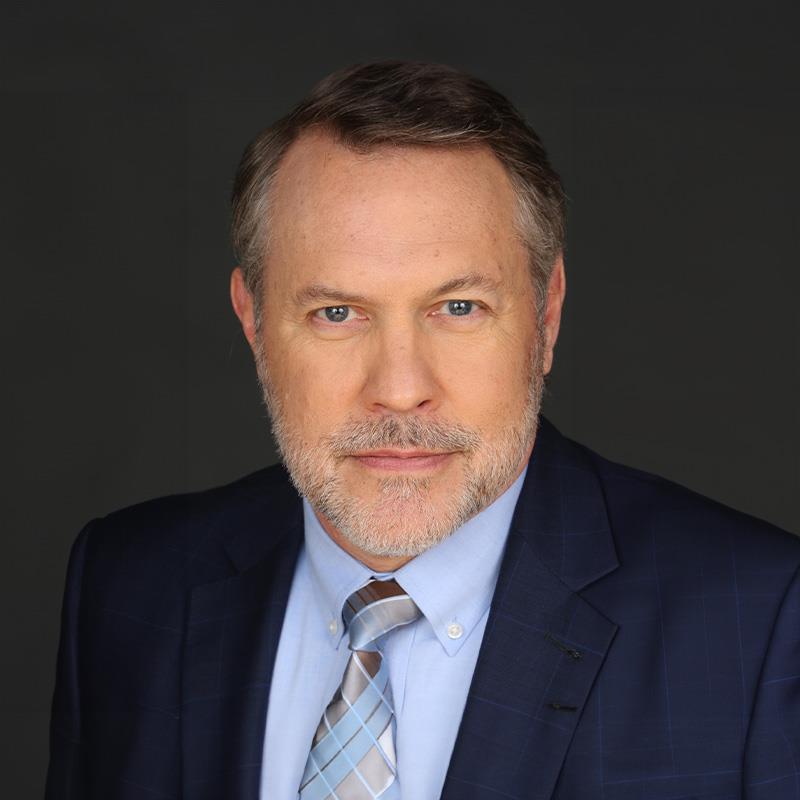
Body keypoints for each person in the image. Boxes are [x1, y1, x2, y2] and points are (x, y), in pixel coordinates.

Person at [46, 61, 799, 800]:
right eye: (337, 313)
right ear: (253, 322)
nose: (401, 390)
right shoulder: (131, 585)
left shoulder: (757, 622)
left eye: (458, 308)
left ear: (546, 315)